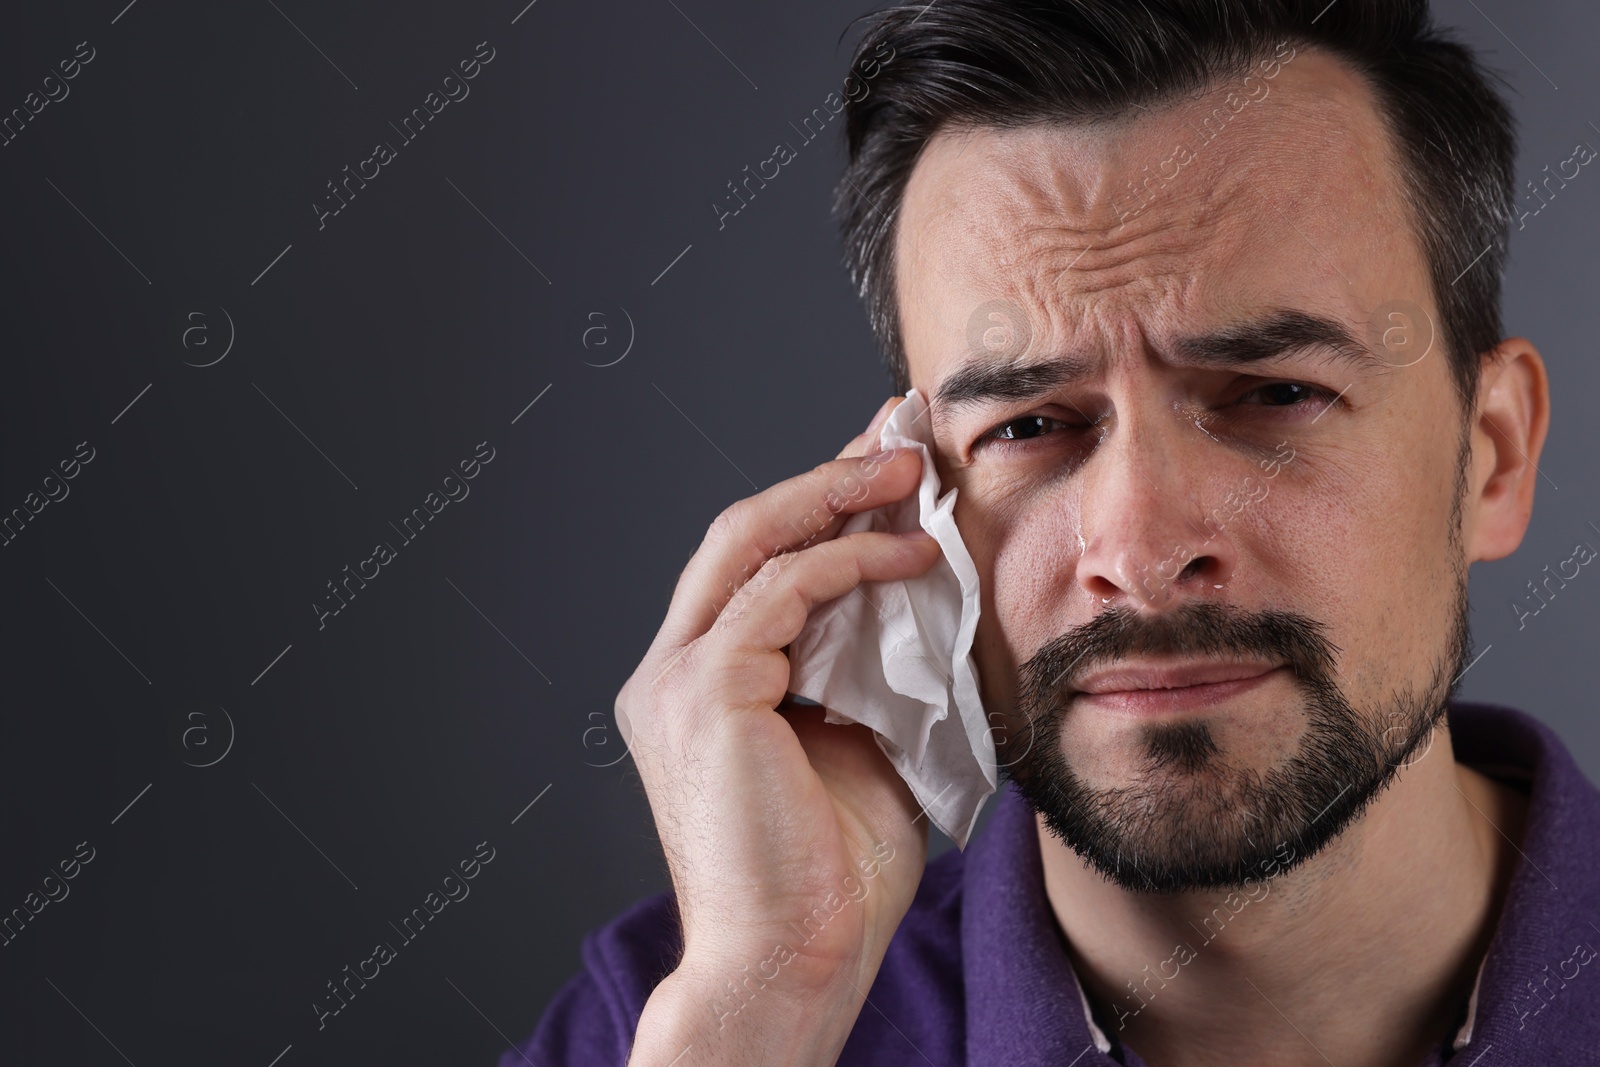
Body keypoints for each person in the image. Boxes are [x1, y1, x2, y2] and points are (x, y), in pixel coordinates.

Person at [509, 1, 1600, 1063]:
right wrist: (768, 1009)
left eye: (1272, 396)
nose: (1137, 550)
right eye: (1029, 424)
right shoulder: (677, 1020)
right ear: (903, 500)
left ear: (1492, 457)